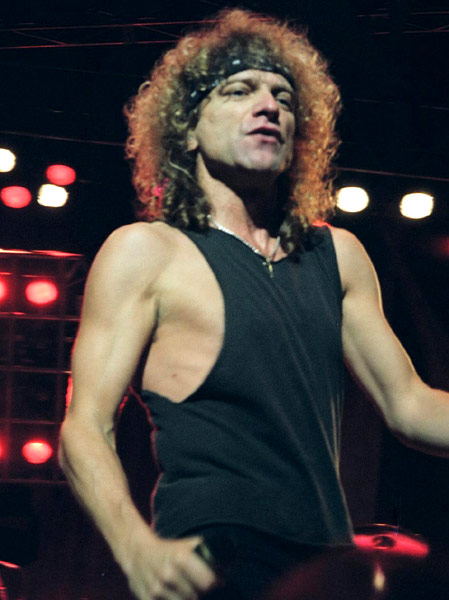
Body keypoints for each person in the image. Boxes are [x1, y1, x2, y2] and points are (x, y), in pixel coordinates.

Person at [58, 8, 449, 600]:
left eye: (283, 98)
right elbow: (85, 426)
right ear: (188, 129)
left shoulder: (338, 255)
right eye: (240, 91)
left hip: (322, 565)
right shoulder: (147, 251)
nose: (269, 106)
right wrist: (136, 548)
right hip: (215, 561)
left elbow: (410, 406)